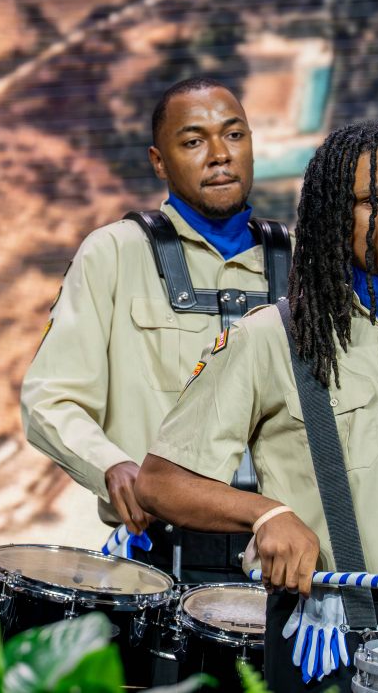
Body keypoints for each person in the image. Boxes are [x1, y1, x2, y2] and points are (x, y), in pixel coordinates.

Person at [137, 120, 378, 692]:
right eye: (376, 200)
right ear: (330, 217)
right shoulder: (273, 338)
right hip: (332, 634)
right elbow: (160, 481)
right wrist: (265, 514)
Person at [22, 77, 291, 587]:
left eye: (234, 136)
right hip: (160, 558)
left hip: (284, 556)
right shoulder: (114, 253)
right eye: (193, 142)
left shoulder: (301, 260)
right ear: (158, 161)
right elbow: (49, 399)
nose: (219, 155)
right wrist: (110, 465)